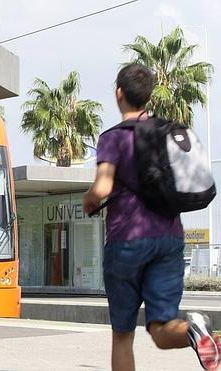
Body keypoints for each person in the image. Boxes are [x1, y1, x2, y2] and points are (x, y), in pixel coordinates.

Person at [83, 64, 220, 371]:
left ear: (120, 93)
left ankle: (194, 331)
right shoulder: (165, 131)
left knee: (122, 335)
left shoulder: (113, 138)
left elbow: (102, 187)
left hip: (126, 241)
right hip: (170, 238)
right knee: (162, 329)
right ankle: (194, 331)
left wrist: (89, 201)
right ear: (148, 96)